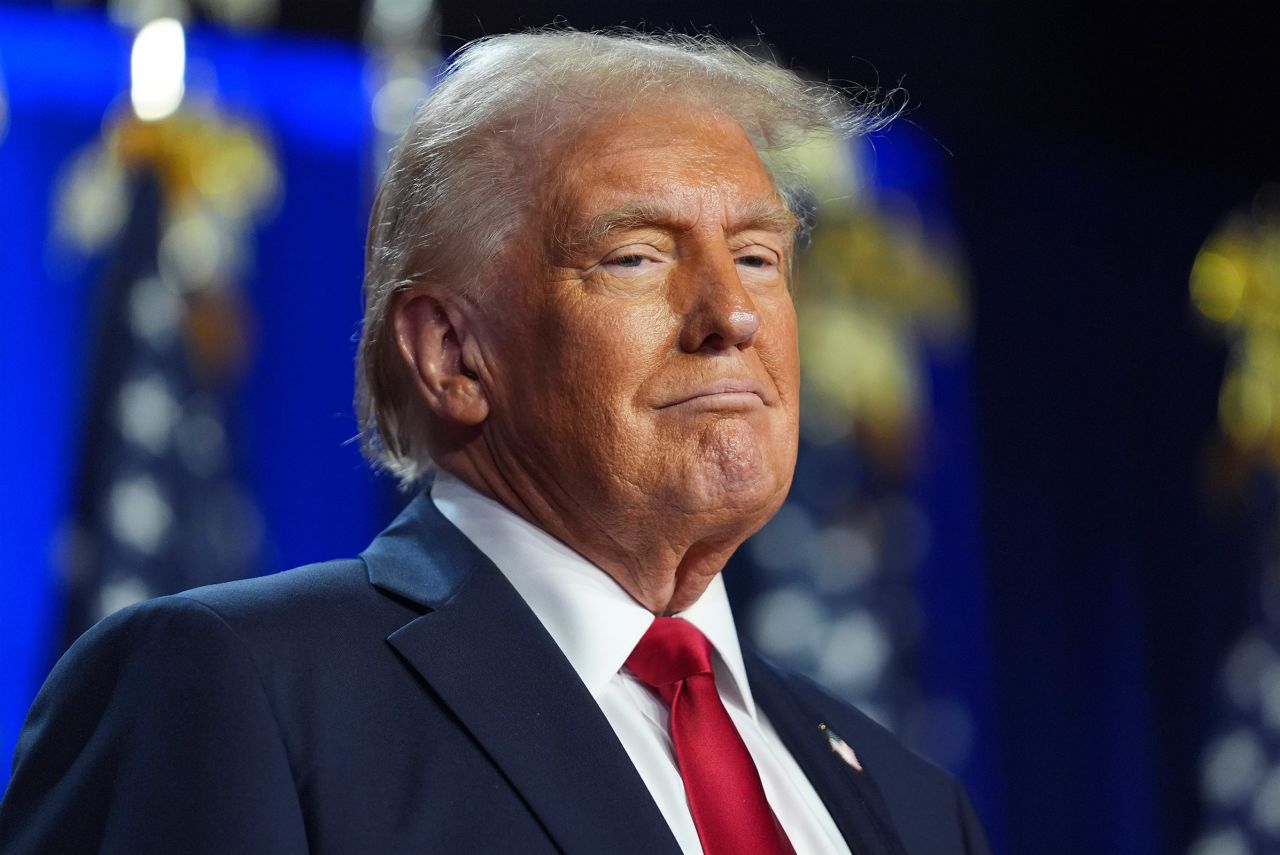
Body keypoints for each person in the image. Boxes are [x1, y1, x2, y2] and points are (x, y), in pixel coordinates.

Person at [0, 30, 992, 855]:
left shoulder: (908, 804)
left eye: (756, 255)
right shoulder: (235, 692)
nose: (730, 314)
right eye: (635, 255)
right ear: (451, 356)